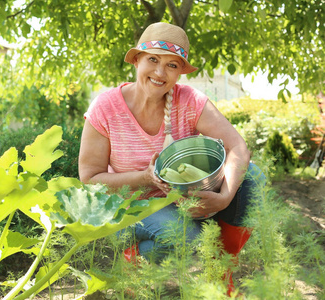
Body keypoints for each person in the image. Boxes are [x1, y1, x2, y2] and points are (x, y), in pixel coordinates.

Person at [78, 22, 266, 296]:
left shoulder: (189, 101)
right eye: (153, 60)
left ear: (179, 72)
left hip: (183, 202)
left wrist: (225, 195)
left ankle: (221, 267)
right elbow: (90, 179)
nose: (159, 72)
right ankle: (135, 260)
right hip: (131, 208)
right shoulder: (105, 108)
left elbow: (237, 145)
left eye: (172, 65)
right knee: (185, 237)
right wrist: (144, 177)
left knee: (252, 177)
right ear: (137, 60)